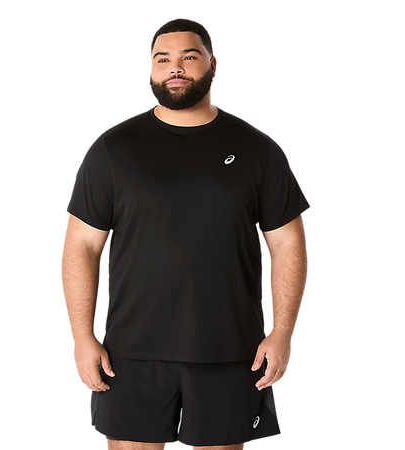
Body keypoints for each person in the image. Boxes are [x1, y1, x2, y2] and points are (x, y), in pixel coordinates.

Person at [62, 18, 310, 449]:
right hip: (131, 354)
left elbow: (287, 243)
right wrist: (82, 337)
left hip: (231, 350)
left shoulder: (257, 150)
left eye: (188, 57)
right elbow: (82, 246)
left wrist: (282, 332)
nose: (174, 67)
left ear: (213, 65)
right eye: (162, 59)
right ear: (151, 69)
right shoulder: (114, 149)